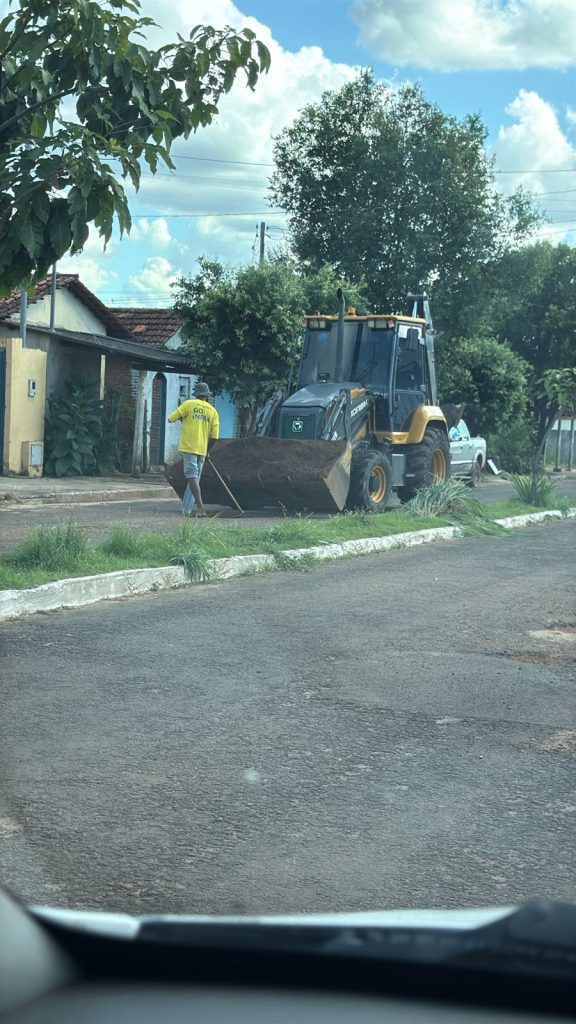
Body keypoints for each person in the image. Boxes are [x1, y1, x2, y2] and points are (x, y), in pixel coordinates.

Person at [167, 382, 219, 517]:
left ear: (196, 394)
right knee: (193, 480)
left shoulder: (188, 405)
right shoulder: (212, 411)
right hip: (202, 450)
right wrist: (207, 450)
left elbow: (171, 419)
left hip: (189, 448)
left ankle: (201, 507)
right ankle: (186, 510)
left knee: (192, 477)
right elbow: (215, 437)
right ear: (207, 396)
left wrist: (184, 419)